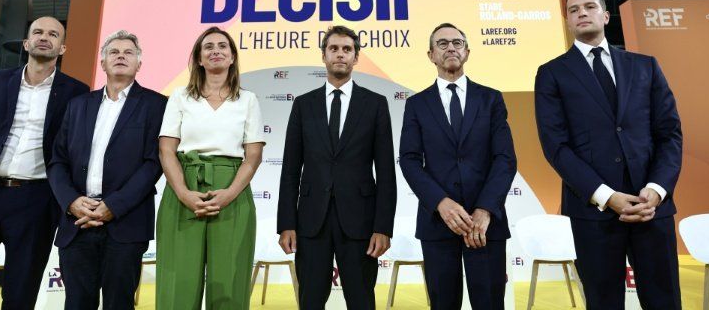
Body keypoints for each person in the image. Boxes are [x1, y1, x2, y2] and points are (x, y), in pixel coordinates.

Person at [534, 0, 683, 310]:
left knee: (665, 300)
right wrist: (606, 196)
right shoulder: (552, 74)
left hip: (651, 207)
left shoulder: (645, 66)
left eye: (589, 7)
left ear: (605, 15)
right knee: (603, 302)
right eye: (573, 10)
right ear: (567, 21)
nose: (581, 13)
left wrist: (657, 189)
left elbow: (669, 134)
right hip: (593, 211)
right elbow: (556, 146)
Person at [0, 16, 89, 309]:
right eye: (38, 32)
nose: (45, 37)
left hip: (37, 201)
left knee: (20, 291)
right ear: (26, 43)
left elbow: (72, 149)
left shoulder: (76, 92)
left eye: (53, 34)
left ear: (62, 48)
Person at [277, 25, 397, 310]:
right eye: (333, 49)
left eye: (347, 49)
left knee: (362, 301)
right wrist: (286, 223)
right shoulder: (303, 105)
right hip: (311, 222)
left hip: (361, 222)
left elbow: (386, 172)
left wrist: (383, 227)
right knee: (310, 300)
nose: (340, 54)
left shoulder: (375, 104)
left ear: (356, 57)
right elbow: (291, 170)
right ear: (324, 56)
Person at [399, 23, 517, 310]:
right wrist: (441, 203)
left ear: (467, 52)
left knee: (490, 303)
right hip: (437, 223)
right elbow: (410, 160)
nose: (450, 47)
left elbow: (505, 158)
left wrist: (485, 209)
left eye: (457, 43)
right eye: (442, 43)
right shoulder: (416, 104)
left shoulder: (491, 98)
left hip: (485, 224)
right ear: (431, 55)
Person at [47, 30, 166, 309]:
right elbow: (58, 161)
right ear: (102, 63)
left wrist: (114, 205)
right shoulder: (78, 105)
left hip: (126, 223)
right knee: (77, 303)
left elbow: (154, 163)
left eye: (128, 52)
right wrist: (71, 202)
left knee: (119, 303)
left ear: (139, 64)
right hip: (77, 222)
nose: (121, 56)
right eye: (114, 52)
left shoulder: (158, 105)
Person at [156, 26, 264, 309]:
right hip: (184, 187)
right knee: (178, 281)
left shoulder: (248, 100)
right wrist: (183, 193)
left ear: (232, 57)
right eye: (208, 47)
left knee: (229, 281)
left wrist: (229, 194)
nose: (216, 50)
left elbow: (253, 156)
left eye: (222, 46)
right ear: (199, 58)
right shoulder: (180, 97)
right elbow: (166, 150)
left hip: (232, 188)